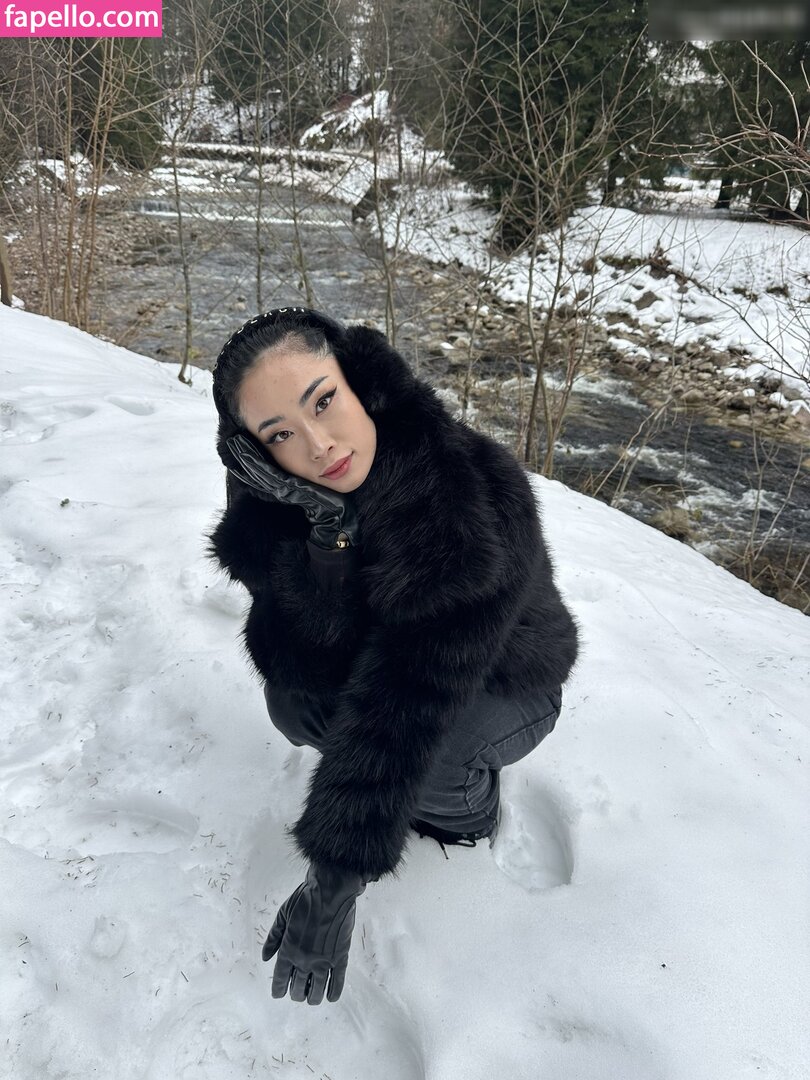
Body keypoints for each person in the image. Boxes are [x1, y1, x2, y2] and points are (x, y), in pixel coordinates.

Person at [206, 306, 579, 1007]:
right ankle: (403, 786)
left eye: (323, 401)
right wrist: (328, 544)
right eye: (280, 434)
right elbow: (292, 656)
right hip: (397, 669)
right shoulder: (287, 504)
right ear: (257, 455)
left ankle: (465, 812)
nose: (318, 445)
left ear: (360, 382)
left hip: (506, 680)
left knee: (439, 751)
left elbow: (411, 700)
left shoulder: (468, 498)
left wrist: (333, 882)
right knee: (292, 702)